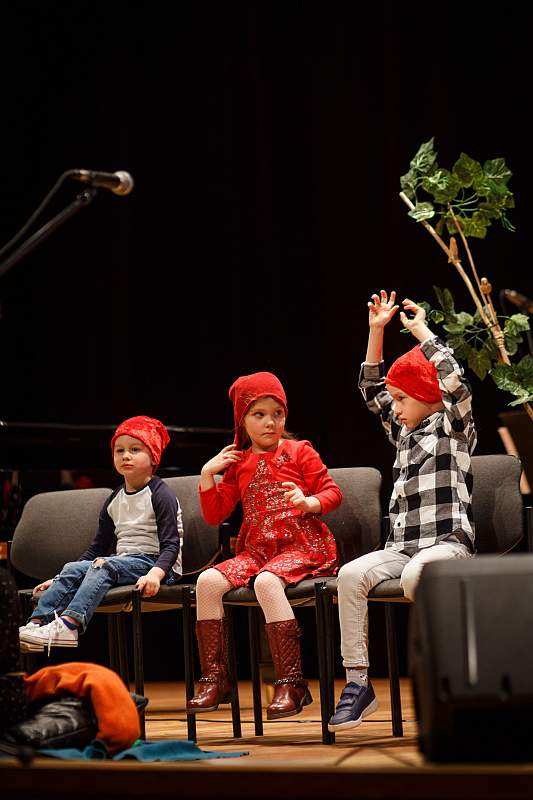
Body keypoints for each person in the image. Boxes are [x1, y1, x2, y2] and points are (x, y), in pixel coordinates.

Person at [329, 290, 476, 732]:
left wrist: (421, 333)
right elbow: (371, 388)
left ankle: (442, 671)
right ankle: (358, 682)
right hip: (403, 546)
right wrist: (376, 332)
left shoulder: (455, 427)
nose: (393, 408)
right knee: (350, 575)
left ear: (426, 396)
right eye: (394, 402)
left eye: (402, 400)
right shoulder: (404, 432)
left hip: (446, 546)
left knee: (415, 578)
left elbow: (453, 380)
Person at [187, 371, 342, 720]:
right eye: (259, 414)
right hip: (258, 550)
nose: (270, 422)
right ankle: (216, 679)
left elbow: (333, 492)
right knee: (207, 582)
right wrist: (207, 474)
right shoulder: (238, 461)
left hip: (302, 545)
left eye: (277, 413)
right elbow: (215, 514)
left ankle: (291, 682)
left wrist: (308, 502)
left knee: (267, 582)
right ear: (242, 419)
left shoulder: (299, 451)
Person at [19, 416, 183, 652]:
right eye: (120, 450)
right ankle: (36, 625)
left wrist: (156, 575)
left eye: (135, 449)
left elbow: (171, 545)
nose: (126, 455)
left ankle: (69, 625)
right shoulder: (114, 498)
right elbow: (97, 547)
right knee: (72, 568)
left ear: (153, 457)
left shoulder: (160, 494)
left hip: (156, 563)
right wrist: (58, 579)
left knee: (102, 565)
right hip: (125, 562)